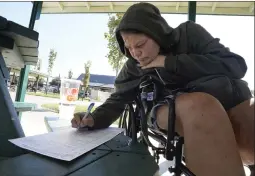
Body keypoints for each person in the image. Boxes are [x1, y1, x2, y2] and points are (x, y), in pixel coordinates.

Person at [71, 2, 254, 176]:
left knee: (250, 113)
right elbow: (117, 100)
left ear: (157, 33)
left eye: (140, 45)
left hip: (227, 99)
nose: (135, 53)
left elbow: (236, 65)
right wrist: (94, 118)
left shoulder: (189, 33)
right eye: (129, 47)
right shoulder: (133, 66)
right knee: (200, 106)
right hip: (169, 108)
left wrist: (170, 63)